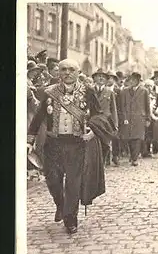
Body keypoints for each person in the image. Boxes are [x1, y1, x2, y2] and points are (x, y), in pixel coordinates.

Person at [27, 59, 102, 234]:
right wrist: (30, 141)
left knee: (73, 183)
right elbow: (38, 118)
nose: (67, 73)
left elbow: (99, 115)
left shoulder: (88, 92)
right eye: (63, 70)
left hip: (76, 144)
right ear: (58, 73)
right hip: (53, 143)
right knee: (53, 180)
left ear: (78, 72)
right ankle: (60, 204)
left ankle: (70, 218)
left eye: (71, 70)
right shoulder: (49, 92)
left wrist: (93, 132)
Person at [118, 72, 151, 166]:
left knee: (137, 138)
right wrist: (124, 117)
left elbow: (147, 105)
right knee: (128, 138)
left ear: (138, 81)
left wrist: (148, 118)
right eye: (130, 80)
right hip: (127, 117)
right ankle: (132, 155)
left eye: (133, 80)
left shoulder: (144, 91)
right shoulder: (124, 91)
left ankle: (135, 158)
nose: (131, 82)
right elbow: (122, 106)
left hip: (139, 118)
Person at [93, 70, 119, 166]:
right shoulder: (90, 90)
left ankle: (103, 162)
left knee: (105, 143)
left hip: (105, 122)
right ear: (94, 78)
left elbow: (114, 109)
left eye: (103, 77)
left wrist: (115, 124)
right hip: (93, 121)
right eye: (98, 76)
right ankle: (96, 163)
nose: (100, 78)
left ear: (106, 80)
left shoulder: (109, 92)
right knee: (94, 143)